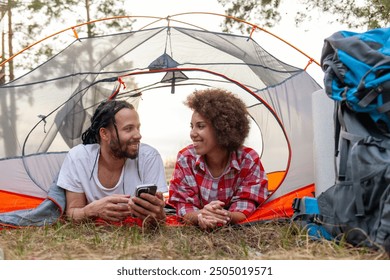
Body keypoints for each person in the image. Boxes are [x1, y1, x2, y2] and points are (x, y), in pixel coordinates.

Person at [168, 88, 268, 230]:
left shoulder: (248, 160)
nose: (192, 133)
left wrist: (225, 216)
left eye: (200, 126)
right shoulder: (186, 159)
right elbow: (184, 206)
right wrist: (201, 216)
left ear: (221, 127)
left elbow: (246, 205)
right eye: (192, 126)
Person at [57, 100, 167, 224]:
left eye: (138, 128)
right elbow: (72, 213)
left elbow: (159, 217)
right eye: (128, 129)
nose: (138, 135)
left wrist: (158, 215)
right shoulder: (78, 158)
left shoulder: (149, 157)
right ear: (104, 134)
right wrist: (92, 210)